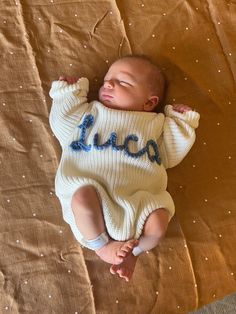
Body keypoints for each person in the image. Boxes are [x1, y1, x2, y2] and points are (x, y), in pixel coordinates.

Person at [49, 55, 200, 282]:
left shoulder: (154, 125)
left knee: (159, 221)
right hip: (93, 193)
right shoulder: (90, 115)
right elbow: (62, 122)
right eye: (108, 80)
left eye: (123, 82)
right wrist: (67, 94)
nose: (108, 84)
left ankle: (134, 253)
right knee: (81, 198)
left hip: (139, 201)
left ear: (149, 102)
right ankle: (102, 246)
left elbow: (171, 153)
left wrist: (180, 121)